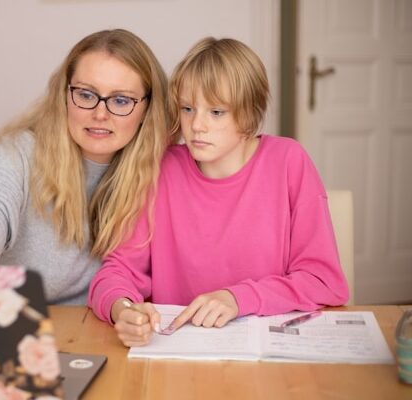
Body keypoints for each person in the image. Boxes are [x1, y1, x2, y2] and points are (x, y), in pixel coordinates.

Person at [88, 37, 349, 346]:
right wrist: (124, 309)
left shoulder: (288, 161)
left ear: (249, 113)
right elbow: (117, 271)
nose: (197, 125)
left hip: (266, 356)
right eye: (188, 108)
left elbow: (323, 282)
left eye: (216, 112)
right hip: (177, 354)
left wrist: (238, 298)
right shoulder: (161, 169)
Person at [0, 29, 170, 305]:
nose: (100, 114)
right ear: (65, 94)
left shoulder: (162, 170)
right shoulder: (19, 151)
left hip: (94, 330)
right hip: (5, 318)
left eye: (121, 100)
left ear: (147, 107)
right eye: (86, 95)